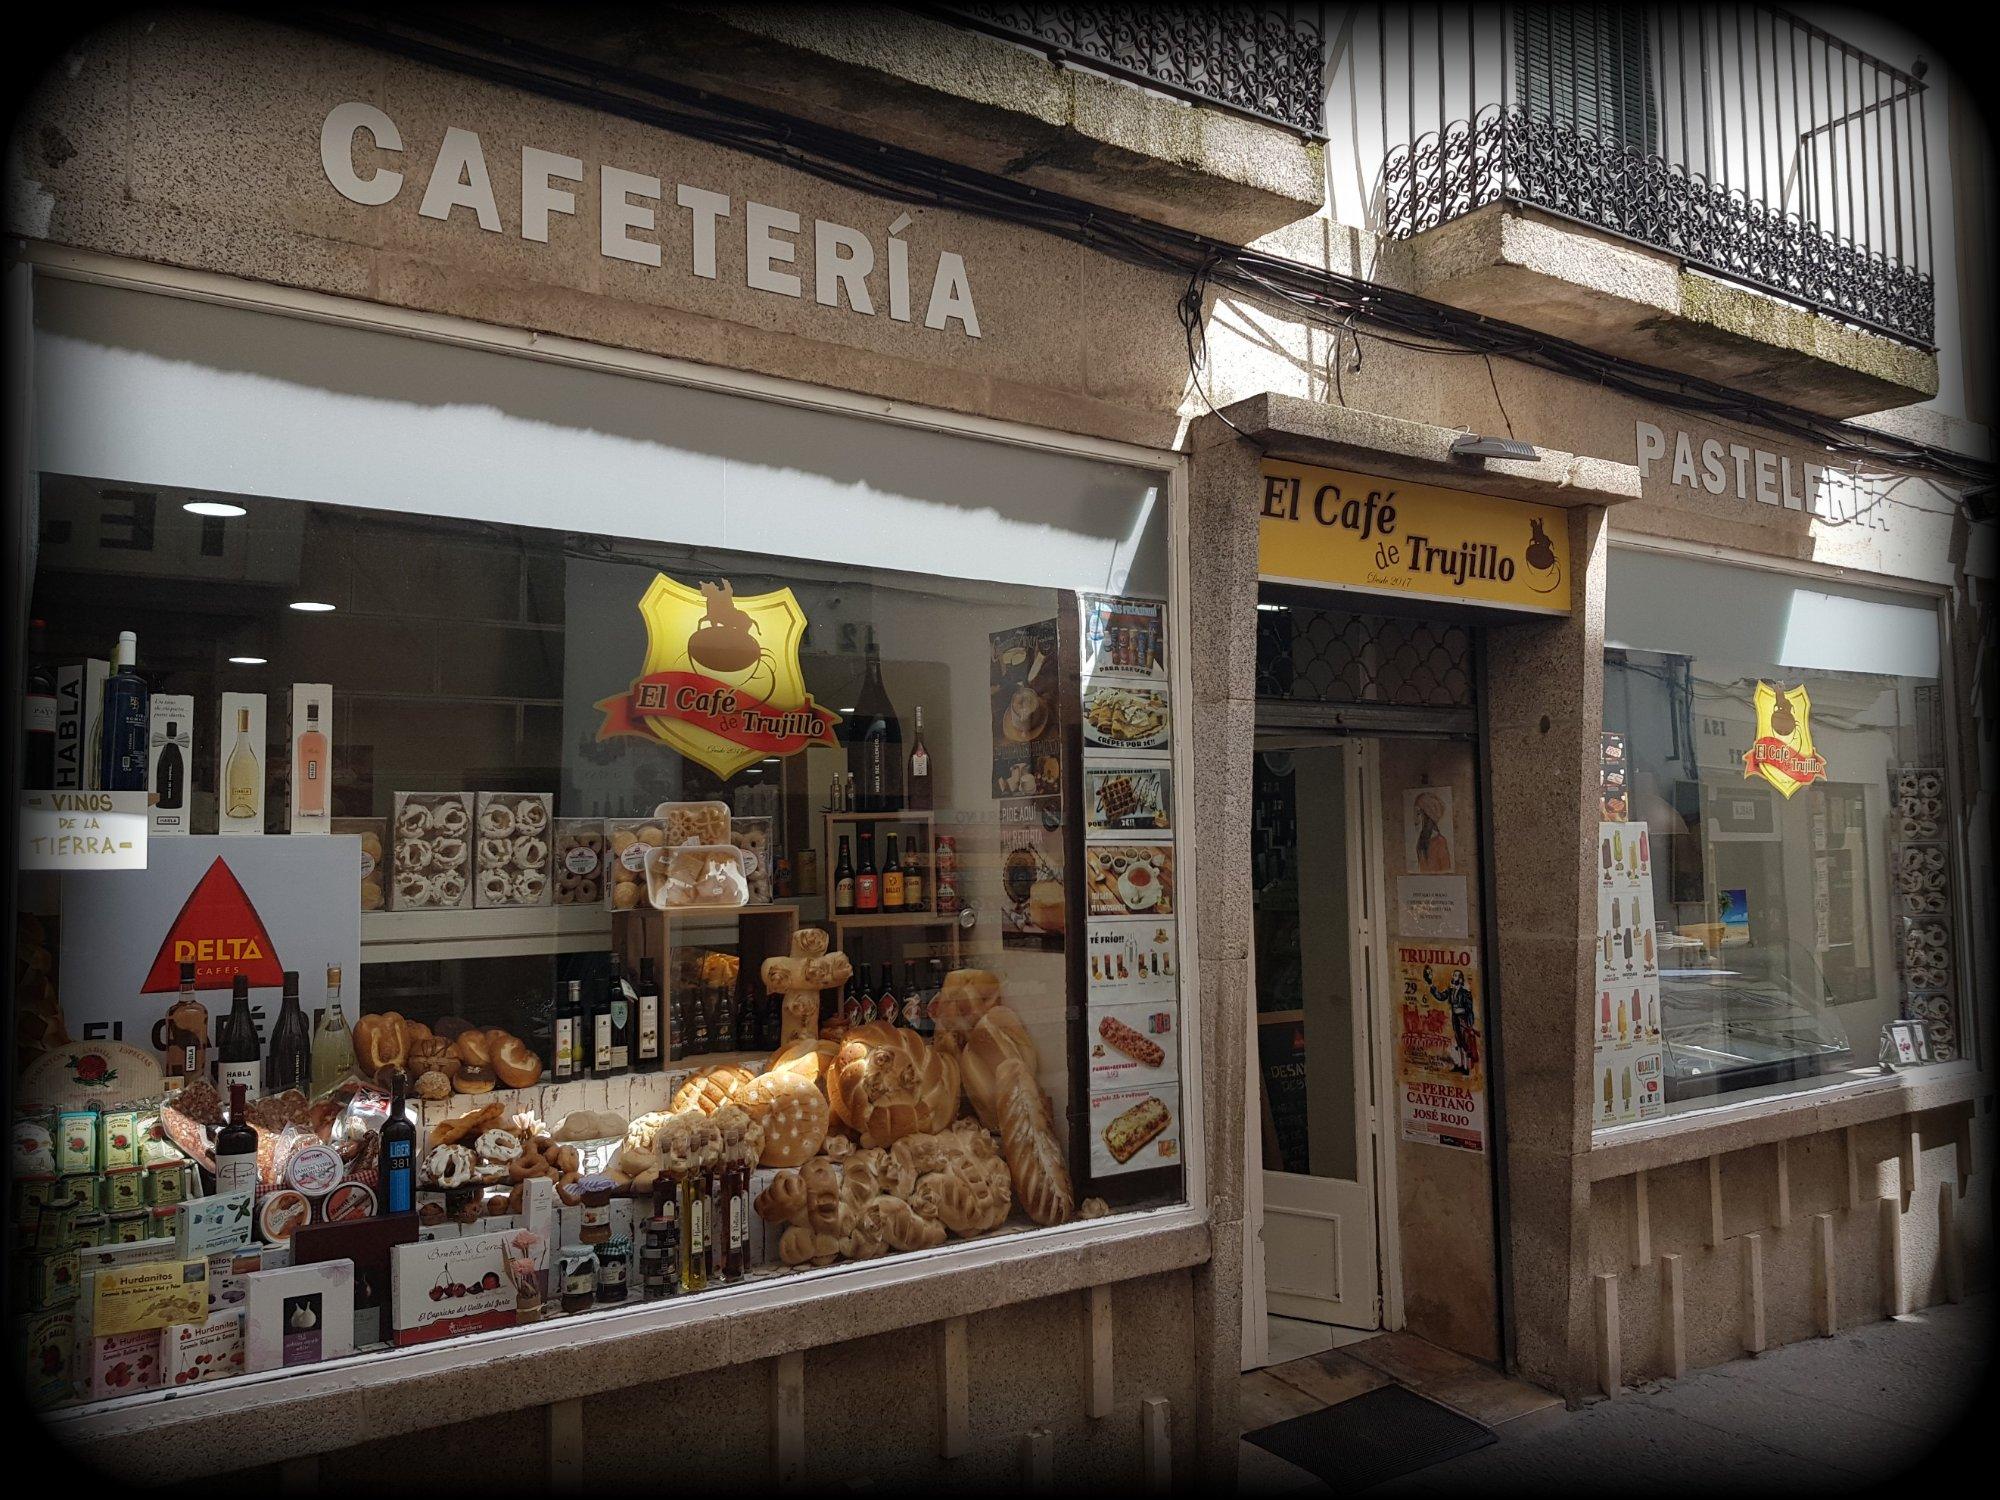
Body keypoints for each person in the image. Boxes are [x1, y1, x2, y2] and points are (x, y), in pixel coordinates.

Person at [1425, 964, 1479, 1075]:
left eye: (1455, 976)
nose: (1453, 977)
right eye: (1453, 975)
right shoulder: (1450, 991)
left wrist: (1469, 1023)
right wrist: (1431, 984)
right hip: (1455, 1019)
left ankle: (1466, 1068)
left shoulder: (1465, 993)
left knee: (1465, 1043)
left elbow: (1469, 1010)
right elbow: (1440, 996)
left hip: (1463, 1019)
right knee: (1459, 1042)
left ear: (1460, 979)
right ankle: (1460, 1065)